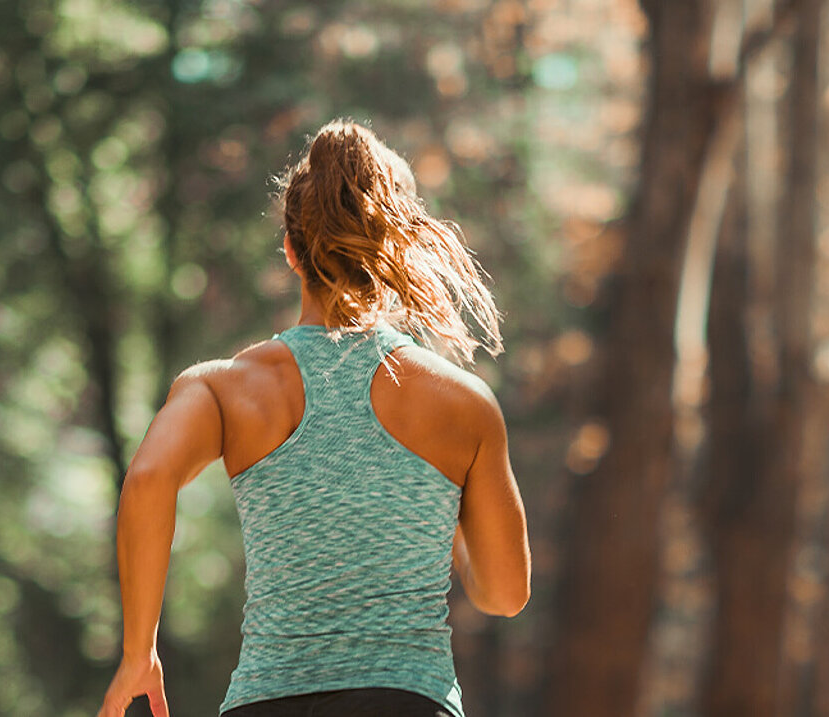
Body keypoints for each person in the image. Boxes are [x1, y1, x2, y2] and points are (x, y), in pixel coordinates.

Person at [96, 119, 532, 717]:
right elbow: (505, 594)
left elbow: (147, 481)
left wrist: (138, 651)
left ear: (291, 252)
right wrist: (440, 515)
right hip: (404, 701)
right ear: (396, 246)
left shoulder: (220, 387)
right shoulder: (463, 402)